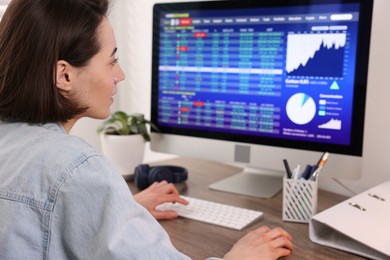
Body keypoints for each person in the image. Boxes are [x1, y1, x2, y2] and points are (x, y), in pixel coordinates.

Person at [0, 0, 293, 259]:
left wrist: (115, 210)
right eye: (111, 60)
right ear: (64, 75)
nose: (120, 74)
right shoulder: (75, 168)